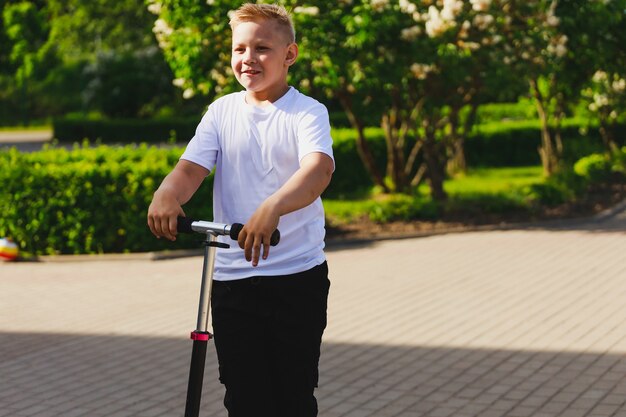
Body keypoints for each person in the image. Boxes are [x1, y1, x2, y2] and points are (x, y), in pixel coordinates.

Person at [147, 3, 334, 416]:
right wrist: (167, 194)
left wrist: (273, 207)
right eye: (239, 49)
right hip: (232, 280)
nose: (248, 59)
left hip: (295, 278)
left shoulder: (306, 112)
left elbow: (317, 170)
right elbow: (191, 169)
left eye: (262, 48)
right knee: (244, 397)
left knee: (292, 396)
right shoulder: (222, 111)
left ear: (290, 55)